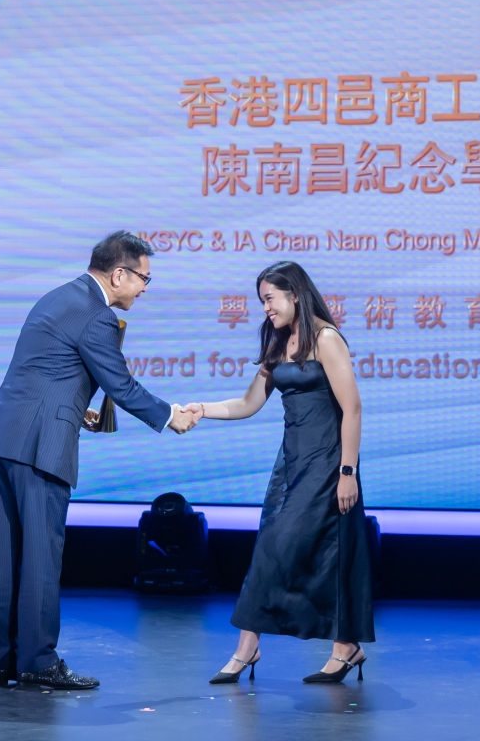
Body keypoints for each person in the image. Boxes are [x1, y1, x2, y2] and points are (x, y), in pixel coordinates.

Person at [0, 231, 199, 690]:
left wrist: (79, 412)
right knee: (41, 555)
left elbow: (45, 371)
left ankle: (1, 661)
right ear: (119, 274)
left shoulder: (59, 296)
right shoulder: (97, 315)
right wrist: (169, 415)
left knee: (6, 558)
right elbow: (121, 384)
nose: (144, 288)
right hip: (39, 448)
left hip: (4, 438)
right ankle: (38, 661)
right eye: (144, 279)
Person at [184, 260, 374, 685]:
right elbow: (248, 403)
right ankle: (259, 647)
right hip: (292, 465)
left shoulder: (326, 338)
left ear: (295, 295)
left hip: (329, 464)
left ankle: (341, 647)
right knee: (271, 549)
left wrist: (347, 471)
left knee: (320, 552)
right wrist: (202, 409)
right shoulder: (278, 342)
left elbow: (353, 408)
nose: (266, 308)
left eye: (270, 299)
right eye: (262, 301)